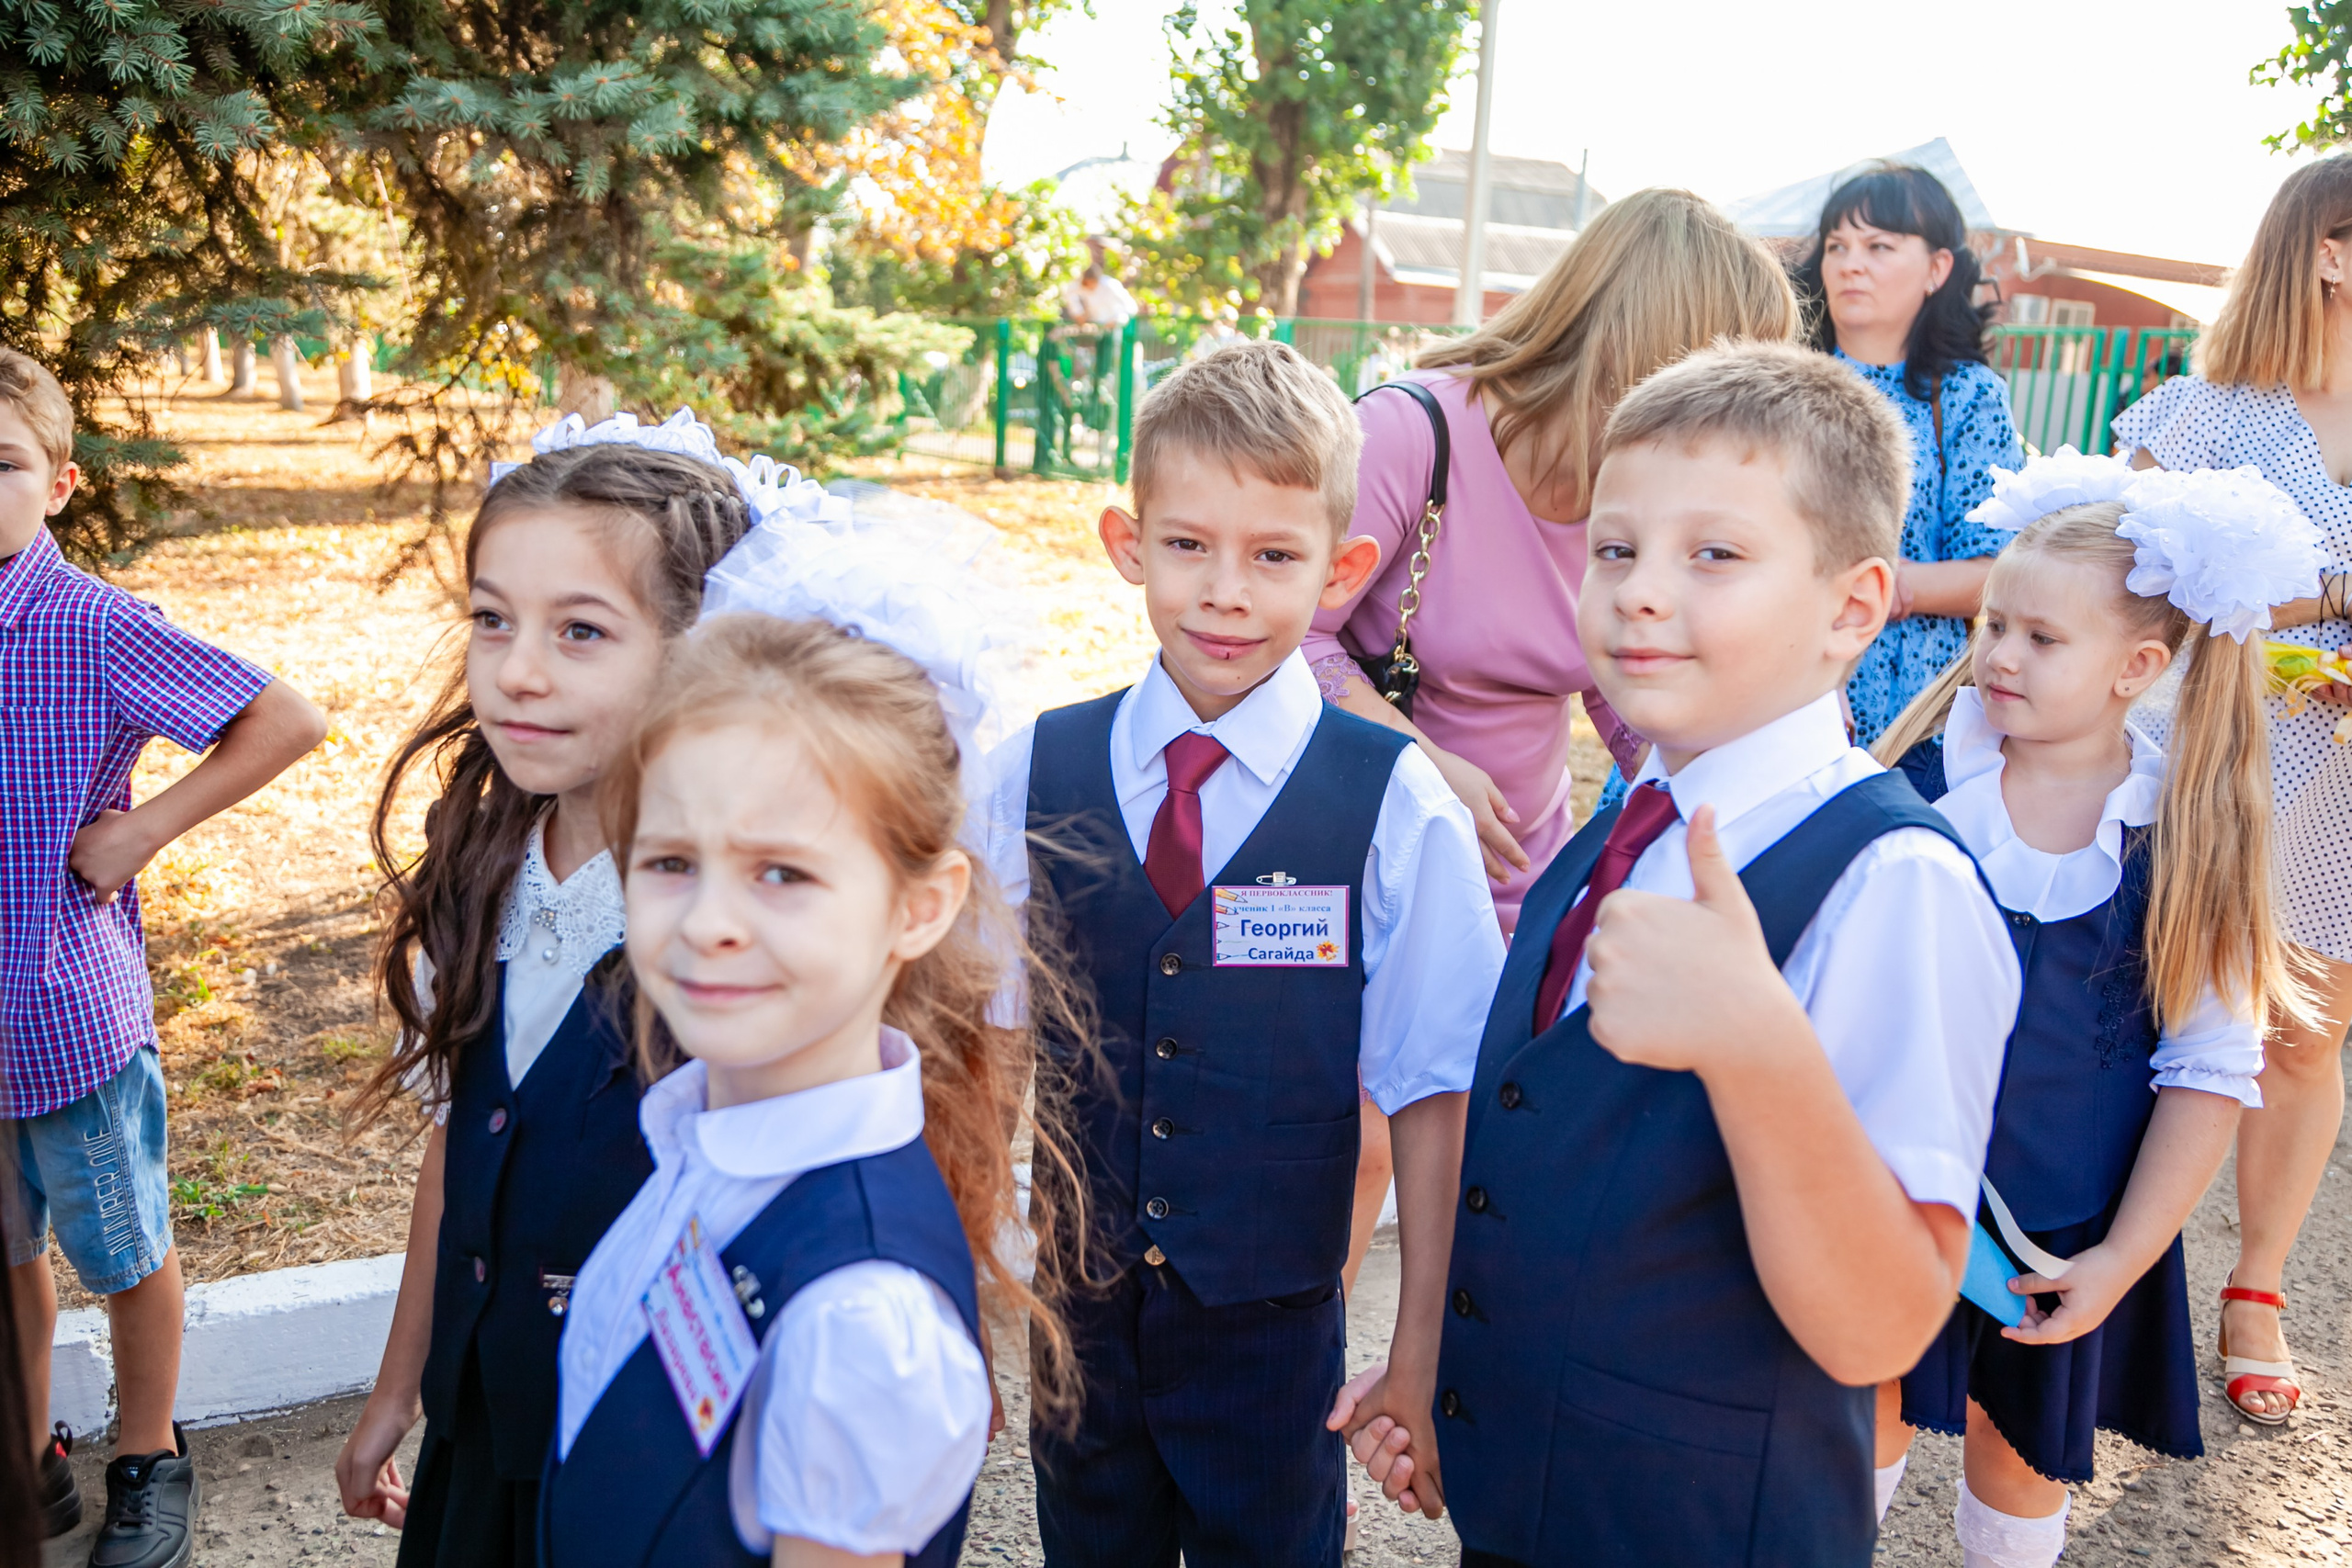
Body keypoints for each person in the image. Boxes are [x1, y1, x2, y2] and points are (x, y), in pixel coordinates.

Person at [1334, 343, 2021, 1564]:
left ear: (1853, 607)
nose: (1642, 591)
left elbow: (1882, 1324)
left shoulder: (1892, 882)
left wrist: (1755, 1045)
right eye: (1614, 548)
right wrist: (1438, 1371)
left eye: (1714, 553)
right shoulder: (1633, 810)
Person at [982, 338, 1502, 1567]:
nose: (1226, 589)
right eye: (1188, 545)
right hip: (1081, 1332)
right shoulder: (1033, 770)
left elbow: (1437, 1092)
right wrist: (965, 1287)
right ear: (1127, 544)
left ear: (1343, 569)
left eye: (1274, 555)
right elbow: (987, 1046)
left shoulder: (1397, 804)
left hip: (1274, 1348)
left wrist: (1422, 1347)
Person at [1305, 189, 1801, 1306]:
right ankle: (1297, 1380)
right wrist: (1410, 755)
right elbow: (1282, 630)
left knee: (1487, 1150)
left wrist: (1752, 798)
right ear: (1658, 345)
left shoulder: (1638, 497)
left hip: (1511, 874)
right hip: (1361, 851)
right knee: (1363, 1139)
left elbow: (1629, 704)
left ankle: (1442, 1379)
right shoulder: (1409, 432)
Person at [546, 613, 1073, 1566]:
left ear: (919, 907)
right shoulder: (696, 1133)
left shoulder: (860, 1321)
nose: (709, 922)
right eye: (670, 862)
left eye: (781, 873)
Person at [333, 413, 768, 1565]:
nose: (516, 671)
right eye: (491, 619)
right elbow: (460, 1147)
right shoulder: (479, 874)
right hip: (484, 1429)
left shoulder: (745, 930)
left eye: (581, 630)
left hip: (656, 1455)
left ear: (697, 645)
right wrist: (401, 1389)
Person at [1870, 452, 2316, 1568]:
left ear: (2140, 667)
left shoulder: (2185, 838)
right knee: (1851, 1419)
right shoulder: (1914, 787)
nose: (1999, 655)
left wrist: (2121, 1258)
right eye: (1996, 624)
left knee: (2018, 1457)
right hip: (1881, 1192)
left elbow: (2209, 1071)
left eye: (2041, 638)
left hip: (2060, 1232)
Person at [0, 348, 327, 1568]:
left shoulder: (94, 623)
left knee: (124, 1245)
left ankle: (147, 1454)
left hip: (65, 1019)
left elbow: (286, 718)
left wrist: (140, 829)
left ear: (63, 481)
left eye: (3, 463)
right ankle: (28, 1452)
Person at [2109, 153, 2352, 1426]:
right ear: (2330, 248)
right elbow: (2134, 589)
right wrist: (2329, 605)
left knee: (2311, 1033)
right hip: (2232, 755)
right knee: (2172, 1011)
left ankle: (2255, 1287)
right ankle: (2116, 1264)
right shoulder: (2211, 414)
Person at [1793, 164, 2025, 745]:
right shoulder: (1779, 380)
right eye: (1837, 245)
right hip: (1780, 674)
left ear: (1937, 268)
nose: (1850, 263)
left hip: (1909, 711)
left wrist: (1884, 587)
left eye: (1879, 246)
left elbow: (2001, 572)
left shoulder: (1968, 397)